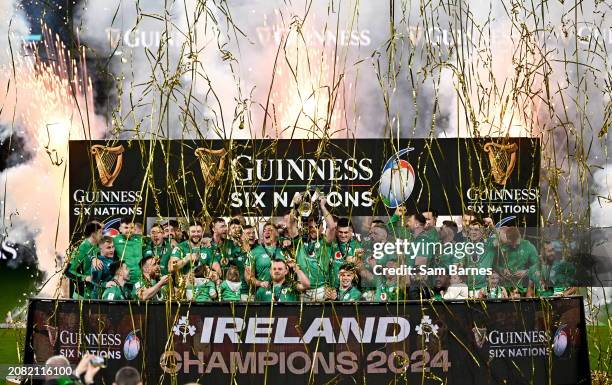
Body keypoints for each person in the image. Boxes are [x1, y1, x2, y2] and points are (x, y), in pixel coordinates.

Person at [246, 222, 290, 292]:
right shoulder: (254, 252)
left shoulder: (285, 250)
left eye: (270, 230)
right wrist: (260, 283)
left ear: (277, 234)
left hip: (283, 293)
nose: (266, 232)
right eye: (264, 230)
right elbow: (248, 277)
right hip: (263, 293)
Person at [495, 227, 539, 293]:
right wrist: (502, 270)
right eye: (511, 243)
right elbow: (492, 264)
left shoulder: (528, 246)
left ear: (520, 237)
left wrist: (526, 272)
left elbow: (538, 264)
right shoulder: (500, 246)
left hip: (520, 288)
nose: (514, 246)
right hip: (501, 288)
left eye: (516, 244)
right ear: (507, 238)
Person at [66, 221, 103, 299]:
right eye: (100, 232)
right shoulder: (81, 249)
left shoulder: (97, 247)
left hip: (96, 294)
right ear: (93, 234)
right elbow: (67, 271)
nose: (102, 235)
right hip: (82, 296)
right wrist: (85, 278)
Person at [329, 217, 363, 289]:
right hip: (332, 289)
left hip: (350, 291)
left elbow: (363, 271)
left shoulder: (357, 246)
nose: (343, 235)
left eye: (346, 232)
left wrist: (356, 261)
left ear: (351, 232)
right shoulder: (332, 244)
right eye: (340, 232)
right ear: (336, 231)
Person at [113, 217, 144, 285]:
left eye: (131, 228)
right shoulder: (114, 240)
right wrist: (94, 258)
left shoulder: (141, 239)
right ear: (120, 229)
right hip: (124, 280)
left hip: (140, 279)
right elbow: (99, 248)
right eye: (126, 228)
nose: (129, 230)